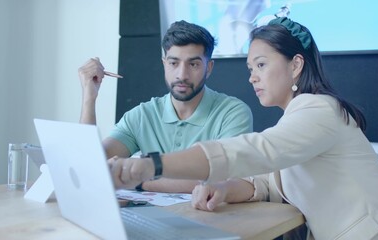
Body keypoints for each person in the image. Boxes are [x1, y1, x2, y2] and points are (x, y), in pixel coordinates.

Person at [109, 17, 378, 239]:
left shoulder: (319, 109)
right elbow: (267, 183)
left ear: (296, 65)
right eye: (250, 68)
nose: (253, 78)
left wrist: (151, 165)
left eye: (261, 65)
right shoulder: (296, 118)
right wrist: (224, 189)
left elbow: (256, 151)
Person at [78, 20, 253, 193]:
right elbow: (92, 164)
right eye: (173, 63)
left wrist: (140, 181)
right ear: (164, 64)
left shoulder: (233, 113)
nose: (181, 75)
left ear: (209, 68)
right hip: (151, 217)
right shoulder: (142, 115)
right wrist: (89, 96)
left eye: (193, 64)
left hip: (212, 218)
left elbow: (226, 182)